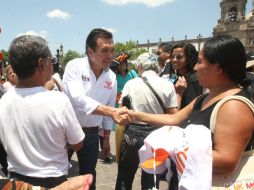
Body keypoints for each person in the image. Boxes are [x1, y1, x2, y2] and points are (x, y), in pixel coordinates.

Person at [122, 35, 254, 188]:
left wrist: (174, 149)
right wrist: (134, 115)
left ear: (218, 68)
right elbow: (174, 119)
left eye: (200, 62)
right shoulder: (204, 98)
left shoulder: (233, 106)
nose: (196, 67)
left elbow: (226, 162)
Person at [0, 35, 85, 188]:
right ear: (41, 64)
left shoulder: (4, 100)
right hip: (53, 182)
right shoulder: (59, 101)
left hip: (16, 182)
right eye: (50, 60)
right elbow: (78, 143)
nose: (52, 65)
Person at [62, 28, 130, 190]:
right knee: (58, 175)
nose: (110, 55)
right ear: (90, 52)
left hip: (91, 134)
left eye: (112, 50)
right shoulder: (75, 66)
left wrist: (106, 137)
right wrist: (110, 111)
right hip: (66, 131)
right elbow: (77, 98)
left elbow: (109, 106)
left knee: (89, 177)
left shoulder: (111, 76)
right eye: (104, 50)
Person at [115, 53, 178, 190]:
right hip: (157, 135)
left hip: (133, 134)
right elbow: (173, 116)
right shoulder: (167, 85)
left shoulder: (130, 84)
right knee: (150, 177)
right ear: (157, 66)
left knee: (125, 176)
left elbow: (122, 112)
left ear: (139, 66)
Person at [170, 42, 203, 109]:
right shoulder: (181, 77)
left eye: (179, 57)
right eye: (172, 56)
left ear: (189, 58)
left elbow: (191, 107)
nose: (174, 60)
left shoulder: (192, 79)